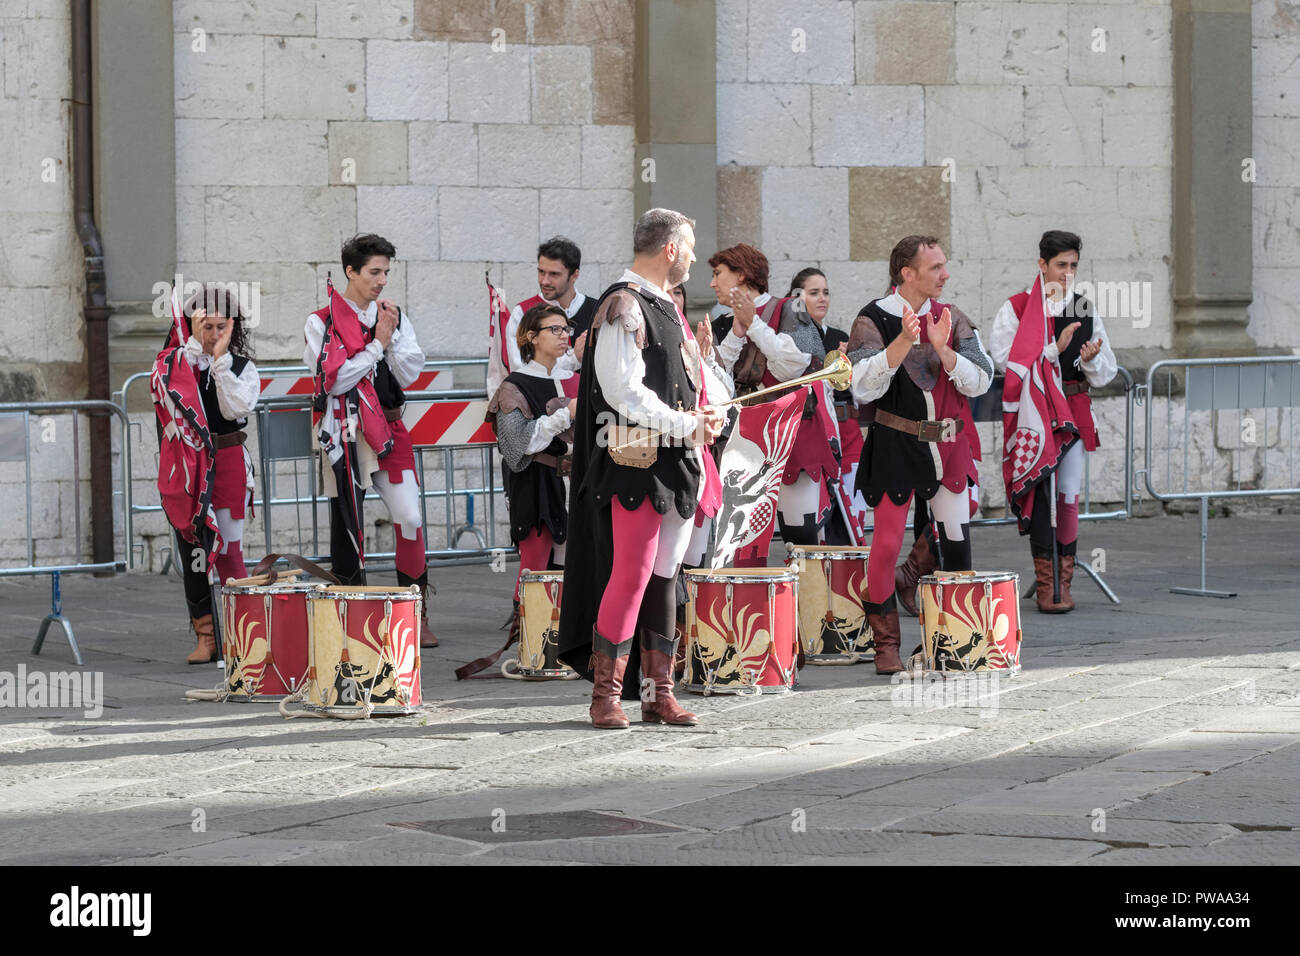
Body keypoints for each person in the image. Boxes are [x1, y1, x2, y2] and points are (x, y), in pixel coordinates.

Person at [557, 208, 725, 729]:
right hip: (635, 464)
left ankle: (658, 693)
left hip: (676, 462)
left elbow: (686, 381)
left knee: (665, 578)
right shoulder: (624, 305)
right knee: (631, 575)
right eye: (691, 246)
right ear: (670, 249)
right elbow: (621, 390)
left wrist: (710, 410)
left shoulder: (666, 308)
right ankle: (605, 699)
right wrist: (684, 424)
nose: (695, 256)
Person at [845, 236, 992, 674]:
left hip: (947, 446)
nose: (945, 275)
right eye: (936, 268)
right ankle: (886, 646)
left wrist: (944, 349)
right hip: (894, 444)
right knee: (886, 545)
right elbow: (861, 386)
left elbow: (982, 379)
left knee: (956, 540)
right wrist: (904, 342)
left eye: (944, 266)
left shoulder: (953, 317)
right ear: (907, 274)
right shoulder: (872, 319)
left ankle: (957, 641)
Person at [304, 233, 437, 647]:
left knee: (410, 518)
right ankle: (349, 616)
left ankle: (416, 611)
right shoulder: (320, 322)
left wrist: (389, 336)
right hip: (343, 431)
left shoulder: (392, 315)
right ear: (351, 271)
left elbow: (410, 372)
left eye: (386, 272)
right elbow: (335, 379)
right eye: (374, 272)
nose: (381, 281)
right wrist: (376, 344)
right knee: (347, 522)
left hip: (389, 429)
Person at [990, 230, 1117, 612]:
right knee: (1039, 493)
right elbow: (1006, 362)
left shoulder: (1084, 308)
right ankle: (1046, 585)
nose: (1067, 273)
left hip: (1073, 413)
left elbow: (1107, 373)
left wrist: (1091, 358)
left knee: (1067, 496)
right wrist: (1053, 349)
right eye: (1060, 265)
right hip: (1034, 415)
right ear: (1042, 265)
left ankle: (1063, 582)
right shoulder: (1016, 308)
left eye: (1073, 266)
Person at [710, 245, 840, 562]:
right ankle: (751, 610)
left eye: (717, 274)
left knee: (801, 538)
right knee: (742, 541)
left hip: (794, 435)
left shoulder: (791, 308)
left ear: (741, 274)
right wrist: (737, 333)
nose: (712, 284)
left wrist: (753, 324)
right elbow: (716, 385)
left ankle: (809, 612)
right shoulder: (722, 322)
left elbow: (793, 367)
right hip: (745, 440)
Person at [153, 283, 259, 664]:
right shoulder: (171, 365)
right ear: (190, 324)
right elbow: (164, 404)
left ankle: (244, 635)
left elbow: (235, 409)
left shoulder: (242, 368)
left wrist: (219, 361)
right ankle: (206, 636)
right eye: (206, 326)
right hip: (188, 465)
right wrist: (193, 351)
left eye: (221, 327)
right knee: (194, 551)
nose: (213, 334)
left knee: (229, 549)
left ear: (233, 327)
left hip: (228, 460)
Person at [486, 303, 577, 638]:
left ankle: (560, 640)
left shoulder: (573, 379)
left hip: (573, 481)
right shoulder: (514, 386)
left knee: (570, 562)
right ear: (530, 337)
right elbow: (517, 445)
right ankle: (529, 640)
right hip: (536, 481)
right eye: (555, 329)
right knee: (535, 560)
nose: (563, 335)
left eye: (566, 329)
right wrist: (564, 415)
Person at [486, 236, 594, 397]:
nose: (544, 281)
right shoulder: (523, 313)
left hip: (589, 412)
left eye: (554, 274)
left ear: (574, 275)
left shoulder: (596, 311)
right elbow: (521, 371)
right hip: (538, 409)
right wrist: (574, 359)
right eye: (541, 272)